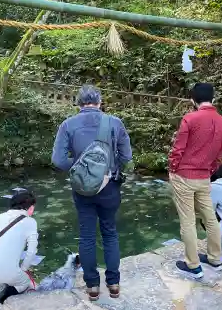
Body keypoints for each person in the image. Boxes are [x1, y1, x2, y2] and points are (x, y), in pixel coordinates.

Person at [52, 85, 132, 301]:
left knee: (87, 236)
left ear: (79, 103)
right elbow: (126, 157)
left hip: (82, 189)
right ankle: (114, 284)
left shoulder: (67, 125)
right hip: (110, 186)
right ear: (100, 102)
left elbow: (58, 160)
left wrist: (81, 169)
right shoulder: (114, 123)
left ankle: (92, 287)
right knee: (110, 233)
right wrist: (107, 171)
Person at [168, 82, 222, 279]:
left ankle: (193, 265)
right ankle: (215, 258)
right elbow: (220, 154)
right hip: (204, 176)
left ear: (192, 99)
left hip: (184, 175)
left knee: (188, 221)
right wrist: (210, 169)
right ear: (213, 98)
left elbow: (178, 148)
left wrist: (173, 167)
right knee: (210, 218)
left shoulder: (190, 118)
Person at [0, 190, 38, 304]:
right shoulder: (30, 222)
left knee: (2, 268)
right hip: (6, 274)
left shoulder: (1, 216)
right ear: (30, 207)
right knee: (25, 282)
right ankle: (5, 293)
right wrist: (23, 269)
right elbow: (31, 251)